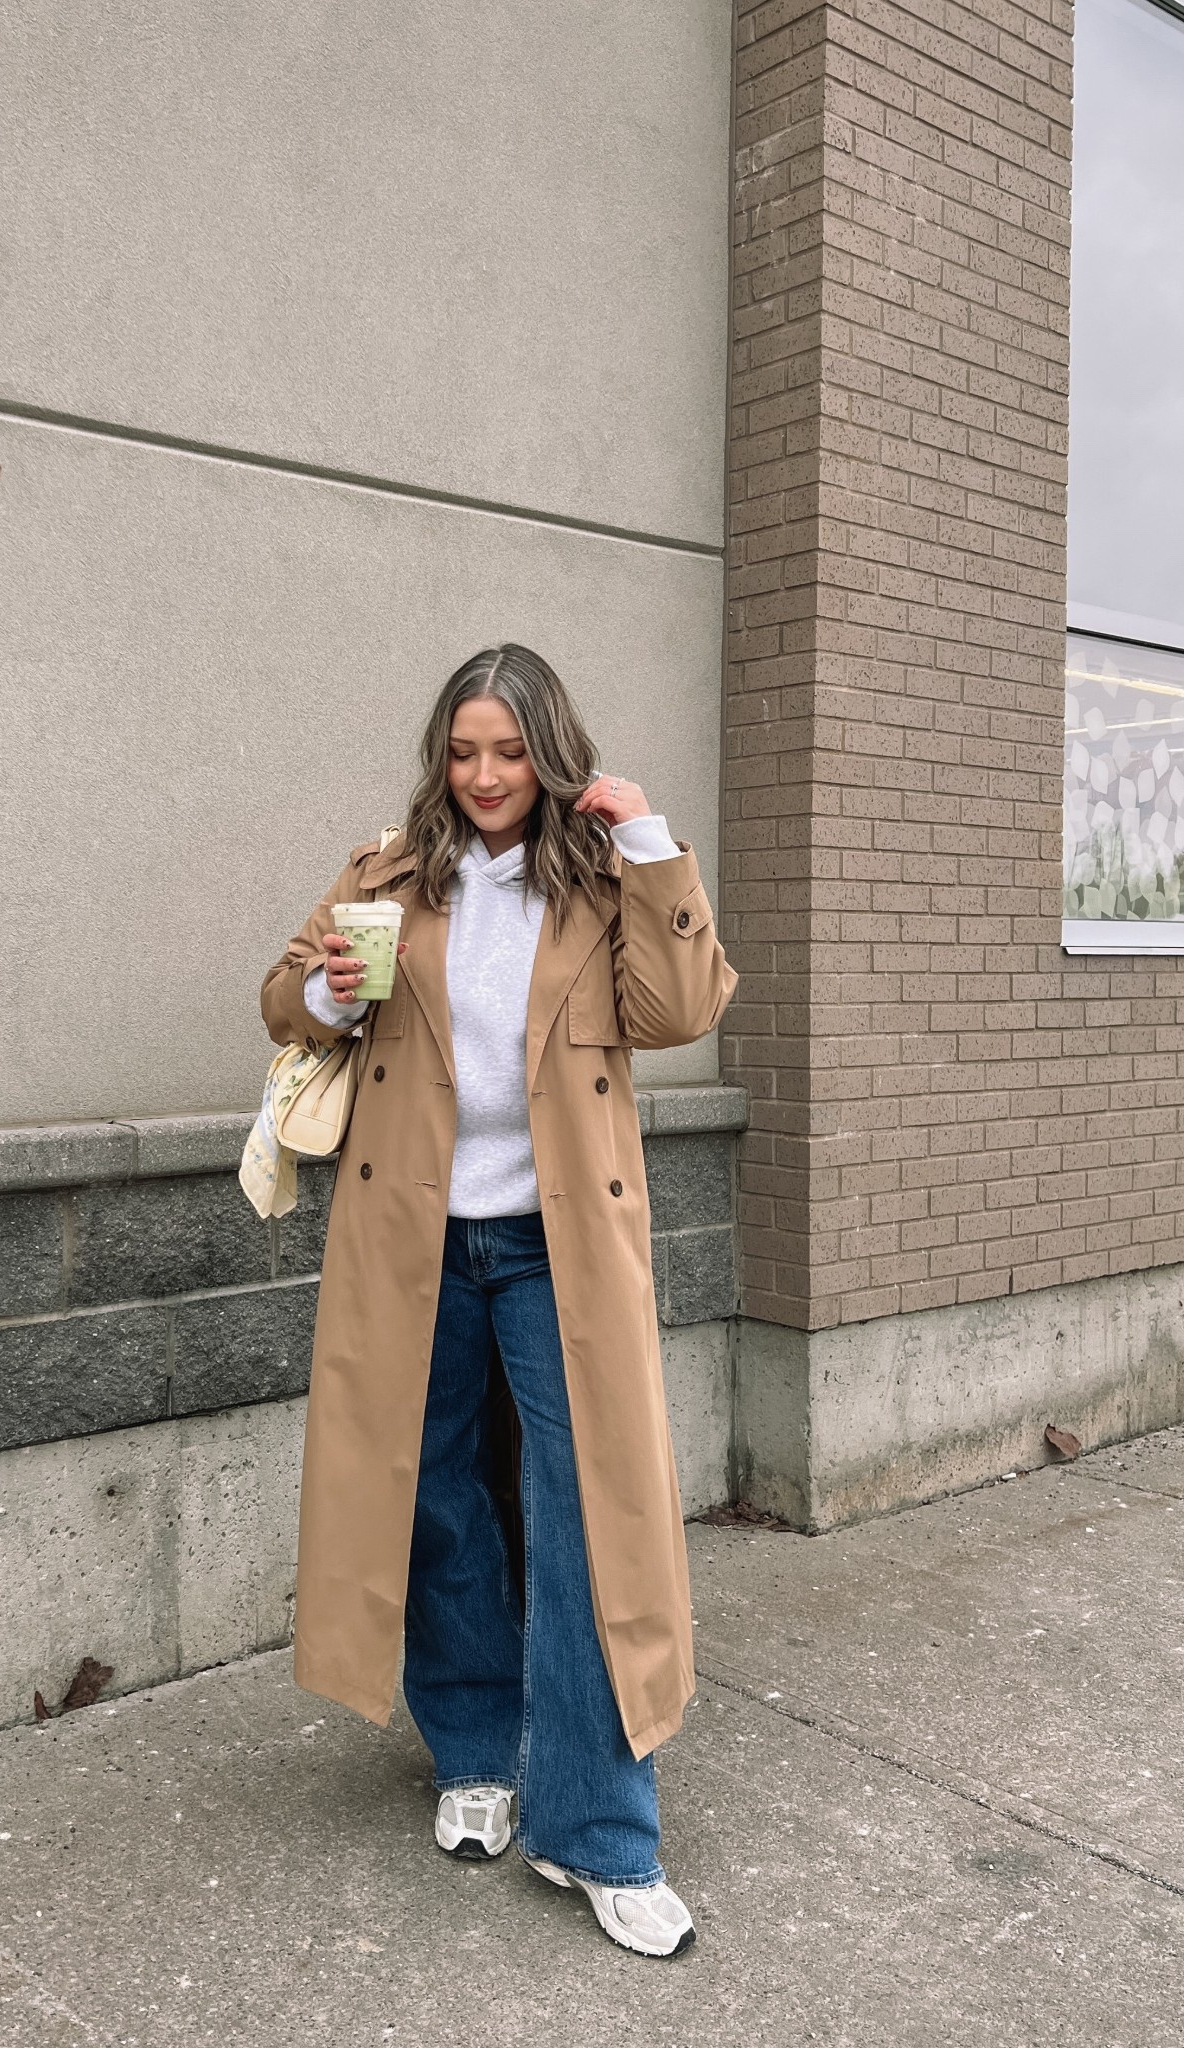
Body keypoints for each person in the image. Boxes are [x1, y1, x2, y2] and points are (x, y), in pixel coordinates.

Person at [260, 644, 736, 1957]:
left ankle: (600, 1833)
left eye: (508, 752)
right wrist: (319, 992)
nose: (483, 776)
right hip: (411, 1244)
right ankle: (475, 1745)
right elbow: (282, 1003)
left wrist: (648, 840)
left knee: (592, 1516)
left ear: (549, 755)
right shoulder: (385, 875)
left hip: (554, 1247)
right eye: (464, 752)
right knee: (433, 1489)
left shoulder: (597, 880)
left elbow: (683, 1007)